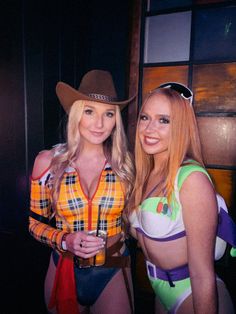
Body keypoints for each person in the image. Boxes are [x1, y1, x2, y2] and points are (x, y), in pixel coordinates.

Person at [29, 69, 135, 314]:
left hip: (113, 268)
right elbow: (34, 224)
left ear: (115, 119)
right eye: (89, 111)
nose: (99, 124)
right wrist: (65, 240)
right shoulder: (48, 162)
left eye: (108, 114)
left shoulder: (126, 164)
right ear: (76, 113)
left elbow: (136, 219)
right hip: (64, 267)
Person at [128, 82, 235, 314]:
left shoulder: (192, 180)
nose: (149, 128)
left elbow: (202, 274)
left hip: (193, 294)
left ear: (181, 127)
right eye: (145, 118)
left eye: (164, 120)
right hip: (160, 290)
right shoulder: (146, 173)